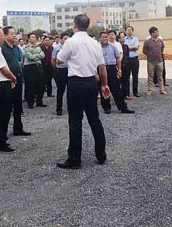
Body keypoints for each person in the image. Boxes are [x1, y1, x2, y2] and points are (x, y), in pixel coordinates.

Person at [56, 14, 109, 169]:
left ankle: (74, 159)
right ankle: (101, 155)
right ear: (88, 25)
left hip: (76, 83)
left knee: (75, 121)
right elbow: (102, 66)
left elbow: (59, 59)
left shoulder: (71, 42)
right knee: (94, 119)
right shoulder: (95, 43)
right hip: (92, 83)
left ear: (74, 25)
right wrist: (105, 85)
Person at [2, 26, 30, 136]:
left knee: (18, 105)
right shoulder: (2, 48)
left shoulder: (16, 47)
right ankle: (3, 134)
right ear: (5, 35)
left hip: (18, 78)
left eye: (15, 33)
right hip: (8, 80)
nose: (14, 35)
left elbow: (19, 61)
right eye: (12, 33)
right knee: (7, 107)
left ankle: (18, 129)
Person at [98, 31, 134, 114]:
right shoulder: (96, 47)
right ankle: (106, 107)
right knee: (104, 88)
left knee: (117, 89)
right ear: (100, 38)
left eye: (106, 37)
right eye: (103, 37)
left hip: (111, 69)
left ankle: (123, 107)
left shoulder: (113, 47)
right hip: (101, 69)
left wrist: (119, 69)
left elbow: (118, 58)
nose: (105, 38)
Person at [24, 33, 46, 109]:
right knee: (31, 85)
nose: (34, 38)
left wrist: (35, 55)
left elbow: (43, 55)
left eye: (35, 37)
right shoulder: (27, 47)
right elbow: (30, 57)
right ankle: (30, 102)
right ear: (29, 39)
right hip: (30, 67)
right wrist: (37, 55)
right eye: (32, 37)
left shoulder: (38, 47)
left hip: (39, 67)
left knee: (40, 84)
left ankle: (39, 102)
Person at [143, 27, 167, 96]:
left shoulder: (160, 41)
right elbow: (144, 50)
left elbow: (162, 49)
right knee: (150, 77)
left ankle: (162, 90)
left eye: (158, 31)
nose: (158, 33)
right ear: (152, 33)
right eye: (156, 32)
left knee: (160, 76)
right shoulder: (147, 42)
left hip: (159, 61)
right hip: (151, 62)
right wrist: (150, 55)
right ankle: (150, 90)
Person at [52, 33, 70, 115]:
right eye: (65, 38)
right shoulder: (56, 48)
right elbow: (53, 60)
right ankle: (59, 108)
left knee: (71, 91)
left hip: (70, 70)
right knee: (60, 91)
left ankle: (71, 108)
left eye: (68, 38)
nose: (66, 40)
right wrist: (55, 69)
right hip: (61, 70)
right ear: (61, 39)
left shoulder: (71, 47)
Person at [124, 26, 140, 97]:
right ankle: (127, 93)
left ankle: (135, 92)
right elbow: (123, 48)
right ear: (125, 31)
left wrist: (127, 48)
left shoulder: (136, 39)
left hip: (134, 59)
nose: (129, 31)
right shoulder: (123, 39)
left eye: (130, 30)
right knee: (126, 77)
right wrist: (131, 47)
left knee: (135, 76)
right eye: (128, 30)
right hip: (126, 60)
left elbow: (136, 48)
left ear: (132, 31)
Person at [118, 32, 132, 100]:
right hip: (118, 66)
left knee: (126, 81)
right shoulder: (116, 46)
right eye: (122, 37)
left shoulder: (126, 46)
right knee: (118, 82)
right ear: (118, 38)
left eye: (124, 37)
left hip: (126, 65)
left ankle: (126, 94)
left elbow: (127, 56)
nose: (123, 38)